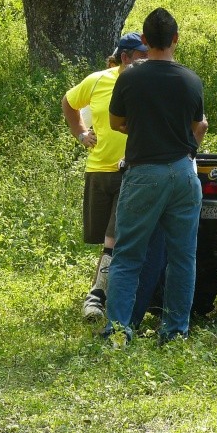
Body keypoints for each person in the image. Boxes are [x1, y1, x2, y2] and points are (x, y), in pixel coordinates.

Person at [106, 8, 207, 346]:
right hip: (182, 172)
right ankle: (176, 331)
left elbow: (115, 121)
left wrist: (138, 125)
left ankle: (119, 330)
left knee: (128, 255)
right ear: (176, 39)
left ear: (145, 41)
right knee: (182, 257)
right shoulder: (191, 80)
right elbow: (198, 125)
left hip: (144, 171)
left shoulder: (130, 77)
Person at [62, 32, 149, 320]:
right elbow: (69, 102)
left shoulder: (147, 82)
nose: (147, 60)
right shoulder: (98, 80)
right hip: (99, 169)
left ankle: (97, 298)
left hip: (133, 171)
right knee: (105, 239)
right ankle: (103, 293)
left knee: (115, 238)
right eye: (141, 56)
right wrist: (81, 134)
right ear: (125, 58)